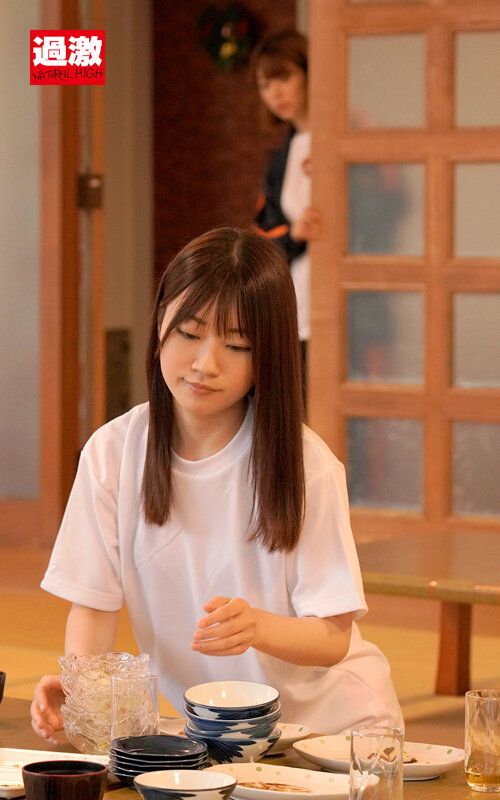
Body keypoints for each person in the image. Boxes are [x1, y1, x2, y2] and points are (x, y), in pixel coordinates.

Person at [31, 227, 402, 744]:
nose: (206, 364)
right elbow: (93, 604)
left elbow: (333, 638)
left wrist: (259, 627)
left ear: (267, 356)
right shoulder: (111, 454)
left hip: (333, 734)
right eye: (188, 333)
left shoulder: (305, 464)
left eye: (236, 344)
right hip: (214, 736)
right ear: (160, 321)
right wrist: (85, 694)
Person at [252, 30, 320, 405]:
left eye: (283, 78)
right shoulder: (280, 159)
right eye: (264, 85)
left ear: (310, 73)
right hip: (297, 307)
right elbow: (262, 236)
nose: (274, 93)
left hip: (357, 304)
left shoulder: (350, 136)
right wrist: (295, 233)